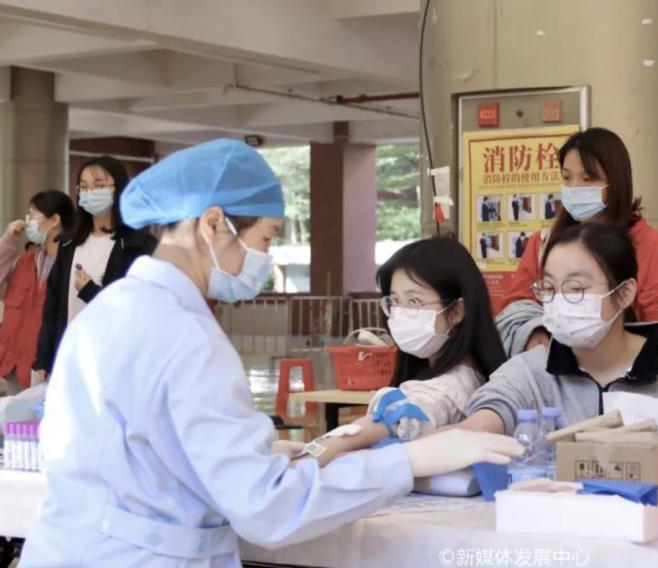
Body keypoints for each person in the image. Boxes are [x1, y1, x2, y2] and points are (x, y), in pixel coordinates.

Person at [20, 139, 521, 568]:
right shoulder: (187, 337)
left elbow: (139, 451)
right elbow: (267, 507)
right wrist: (406, 461)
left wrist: (253, 454)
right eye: (265, 239)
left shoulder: (110, 311)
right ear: (213, 225)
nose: (266, 258)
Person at [461, 223, 658, 434]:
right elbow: (484, 418)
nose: (560, 301)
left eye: (576, 289)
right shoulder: (532, 370)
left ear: (624, 293)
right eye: (550, 288)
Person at [309, 237, 508, 458]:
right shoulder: (479, 376)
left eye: (414, 301)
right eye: (394, 301)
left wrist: (309, 454)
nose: (400, 314)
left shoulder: (447, 389)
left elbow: (400, 417)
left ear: (456, 311)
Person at [497, 128, 658, 356]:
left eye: (587, 178)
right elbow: (516, 305)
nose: (575, 187)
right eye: (567, 178)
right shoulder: (544, 243)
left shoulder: (647, 243)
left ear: (615, 181)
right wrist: (532, 333)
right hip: (552, 365)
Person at [34, 156, 156, 380]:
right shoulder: (69, 243)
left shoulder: (137, 245)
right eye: (84, 187)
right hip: (70, 357)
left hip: (114, 361)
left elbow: (137, 309)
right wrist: (44, 358)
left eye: (99, 186)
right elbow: (52, 306)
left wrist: (91, 291)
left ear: (118, 189)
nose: (90, 193)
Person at [0, 191, 74, 395]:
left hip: (50, 367)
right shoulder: (25, 261)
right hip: (14, 367)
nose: (27, 222)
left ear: (54, 220)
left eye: (33, 215)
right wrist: (8, 241)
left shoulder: (72, 263)